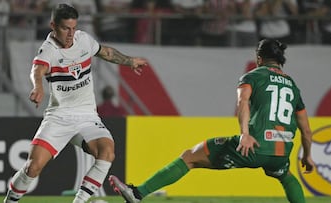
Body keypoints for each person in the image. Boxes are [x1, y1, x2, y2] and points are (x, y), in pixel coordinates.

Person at [109, 38, 315, 203]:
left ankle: (137, 194)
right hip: (281, 151)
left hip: (254, 146)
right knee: (285, 175)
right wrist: (307, 156)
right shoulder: (293, 86)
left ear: (259, 58)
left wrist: (245, 134)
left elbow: (243, 102)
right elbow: (306, 129)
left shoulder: (253, 76)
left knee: (189, 157)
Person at [3, 3, 147, 203]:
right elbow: (37, 70)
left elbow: (106, 52)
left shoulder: (83, 40)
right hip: (59, 117)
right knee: (32, 167)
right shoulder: (49, 49)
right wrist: (38, 87)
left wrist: (129, 61)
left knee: (107, 151)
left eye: (73, 28)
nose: (71, 34)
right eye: (65, 28)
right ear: (53, 25)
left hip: (87, 116)